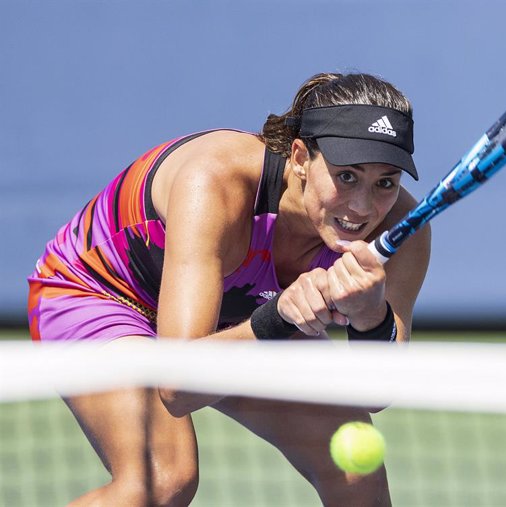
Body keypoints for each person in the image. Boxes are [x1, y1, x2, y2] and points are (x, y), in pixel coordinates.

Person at [27, 72, 431, 506]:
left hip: (236, 312)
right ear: (298, 157)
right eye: (346, 176)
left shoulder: (402, 228)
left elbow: (376, 394)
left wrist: (372, 315)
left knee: (356, 473)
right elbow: (178, 386)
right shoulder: (215, 181)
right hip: (99, 292)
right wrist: (281, 316)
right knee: (163, 480)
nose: (363, 206)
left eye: (385, 182)